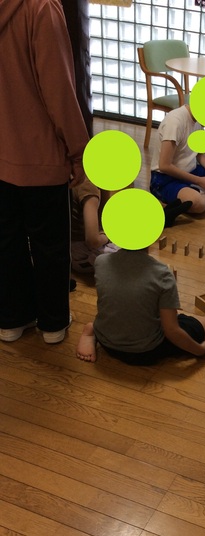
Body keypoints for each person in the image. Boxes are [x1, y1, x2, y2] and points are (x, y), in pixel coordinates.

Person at [0, 0, 90, 344]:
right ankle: (52, 324)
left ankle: (11, 320)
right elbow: (59, 91)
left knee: (6, 243)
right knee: (50, 246)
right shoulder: (41, 8)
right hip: (40, 156)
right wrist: (79, 151)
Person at [76, 246, 205, 365]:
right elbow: (172, 331)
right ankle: (168, 316)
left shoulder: (101, 261)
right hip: (144, 352)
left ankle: (92, 331)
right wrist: (200, 350)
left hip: (106, 341)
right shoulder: (162, 274)